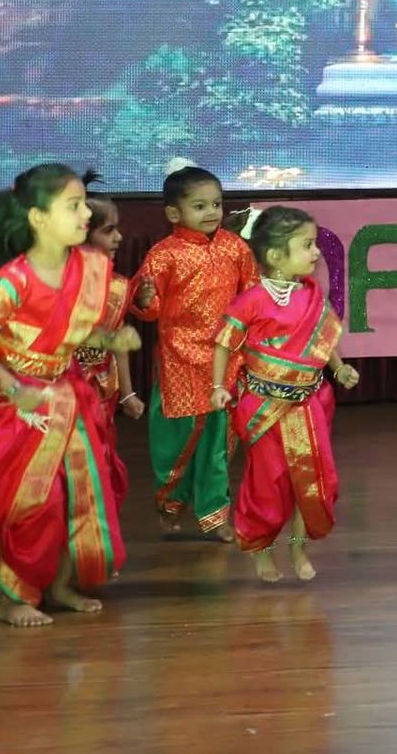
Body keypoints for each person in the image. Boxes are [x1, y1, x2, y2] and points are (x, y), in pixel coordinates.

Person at [0, 164, 141, 627]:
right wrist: (15, 388)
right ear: (37, 217)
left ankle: (61, 586)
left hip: (69, 395)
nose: (87, 213)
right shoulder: (13, 281)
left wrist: (111, 341)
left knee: (75, 496)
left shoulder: (90, 268)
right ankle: (12, 597)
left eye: (84, 203)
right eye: (74, 206)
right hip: (18, 403)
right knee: (33, 504)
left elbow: (77, 336)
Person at [211, 206, 360, 582]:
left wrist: (339, 368)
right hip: (264, 409)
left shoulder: (311, 296)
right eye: (307, 245)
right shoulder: (250, 301)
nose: (316, 253)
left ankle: (298, 547)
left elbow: (322, 342)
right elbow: (224, 345)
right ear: (276, 257)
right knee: (269, 483)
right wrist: (217, 388)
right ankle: (261, 550)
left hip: (309, 406)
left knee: (309, 482)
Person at [130, 158, 259, 538]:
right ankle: (170, 501)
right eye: (199, 206)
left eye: (216, 204)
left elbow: (251, 296)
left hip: (225, 359)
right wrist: (147, 297)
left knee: (219, 442)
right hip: (180, 360)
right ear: (173, 212)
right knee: (177, 441)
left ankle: (216, 515)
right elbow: (149, 310)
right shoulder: (164, 253)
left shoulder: (235, 248)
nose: (211, 212)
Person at [72, 182, 144, 509]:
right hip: (65, 390)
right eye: (108, 230)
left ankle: (95, 540)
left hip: (104, 389)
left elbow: (118, 341)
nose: (118, 238)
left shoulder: (117, 286)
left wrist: (127, 392)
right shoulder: (56, 283)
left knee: (100, 459)